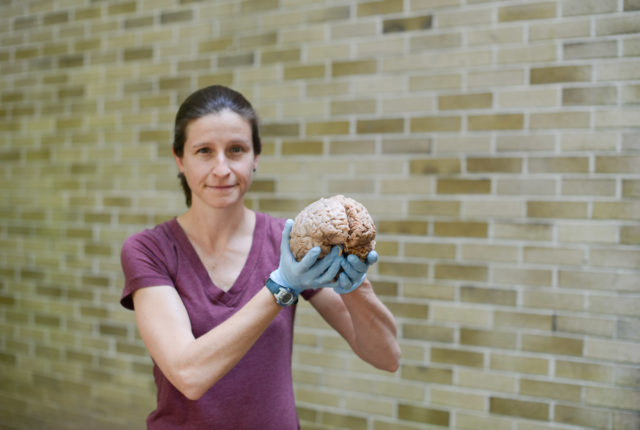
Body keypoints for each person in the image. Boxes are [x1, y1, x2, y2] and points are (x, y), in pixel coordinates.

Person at [120, 85, 401, 430]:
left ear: (256, 156)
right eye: (204, 151)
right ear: (180, 159)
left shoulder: (288, 242)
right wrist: (280, 287)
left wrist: (356, 288)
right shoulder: (150, 250)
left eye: (236, 150)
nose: (222, 168)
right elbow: (188, 373)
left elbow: (386, 356)